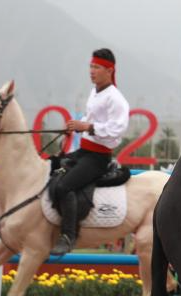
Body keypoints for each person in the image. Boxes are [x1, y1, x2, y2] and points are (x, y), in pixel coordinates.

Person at [51, 48, 130, 257]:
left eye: (96, 67)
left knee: (65, 187)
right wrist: (76, 128)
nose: (91, 71)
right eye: (91, 66)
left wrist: (88, 127)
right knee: (51, 165)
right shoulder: (95, 92)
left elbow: (117, 129)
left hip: (98, 157)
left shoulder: (116, 98)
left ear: (109, 70)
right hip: (84, 150)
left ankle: (69, 236)